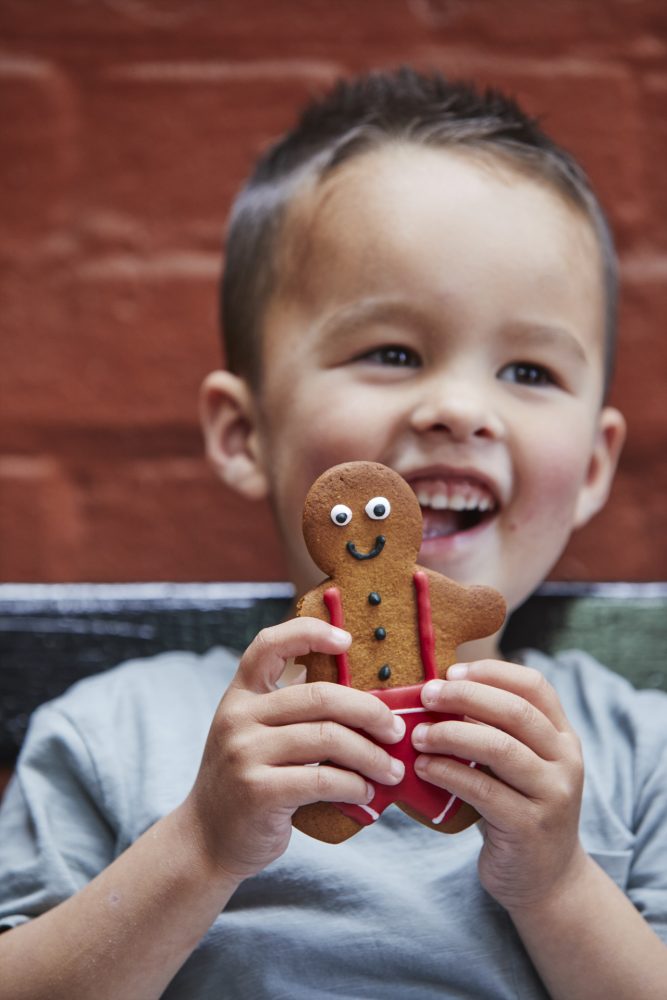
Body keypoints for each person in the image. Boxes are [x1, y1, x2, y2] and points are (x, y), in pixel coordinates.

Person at [0, 67, 665, 999]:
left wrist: (557, 884)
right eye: (392, 353)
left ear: (593, 468)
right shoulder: (115, 732)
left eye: (527, 370)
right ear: (246, 435)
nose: (460, 408)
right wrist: (200, 845)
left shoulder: (638, 754)